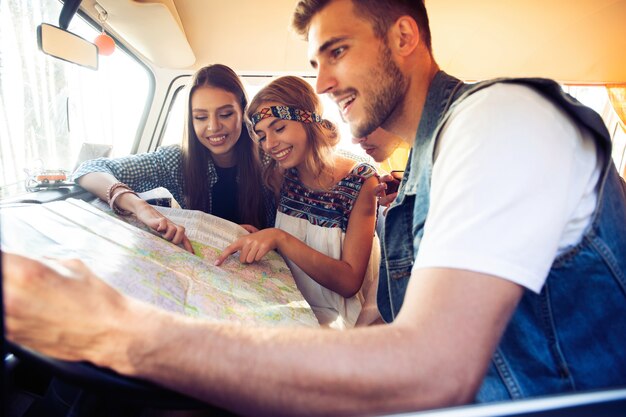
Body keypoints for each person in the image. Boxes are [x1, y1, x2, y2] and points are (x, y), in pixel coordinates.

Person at [3, 0, 626, 416]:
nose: (323, 83)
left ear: (403, 35)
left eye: (337, 51)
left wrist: (120, 331)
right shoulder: (423, 170)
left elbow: (431, 367)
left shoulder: (500, 119)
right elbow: (394, 325)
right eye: (315, 63)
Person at [215, 76, 380, 328]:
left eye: (279, 128)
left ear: (309, 122)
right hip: (291, 301)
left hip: (339, 317)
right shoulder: (282, 174)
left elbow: (349, 283)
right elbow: (303, 245)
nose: (269, 144)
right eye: (261, 136)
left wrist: (279, 237)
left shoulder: (361, 182)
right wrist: (263, 239)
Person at [73, 64, 275, 252]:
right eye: (201, 117)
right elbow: (90, 169)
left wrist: (255, 236)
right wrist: (141, 208)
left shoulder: (270, 163)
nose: (213, 127)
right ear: (191, 119)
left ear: (243, 112)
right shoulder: (174, 160)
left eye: (225, 114)